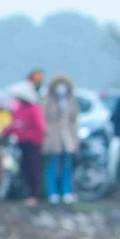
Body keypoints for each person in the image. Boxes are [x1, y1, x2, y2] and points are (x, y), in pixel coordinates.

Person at [41, 74, 81, 203]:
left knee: (67, 166)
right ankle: (52, 192)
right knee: (52, 166)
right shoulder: (47, 101)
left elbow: (74, 120)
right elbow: (43, 119)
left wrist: (75, 139)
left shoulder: (71, 101)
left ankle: (67, 192)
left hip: (67, 137)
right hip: (52, 137)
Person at [8, 80, 47, 203]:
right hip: (22, 142)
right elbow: (15, 124)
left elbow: (40, 127)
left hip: (32, 143)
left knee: (33, 169)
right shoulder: (20, 108)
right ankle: (26, 193)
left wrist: (36, 139)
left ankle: (34, 195)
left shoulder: (34, 108)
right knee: (24, 168)